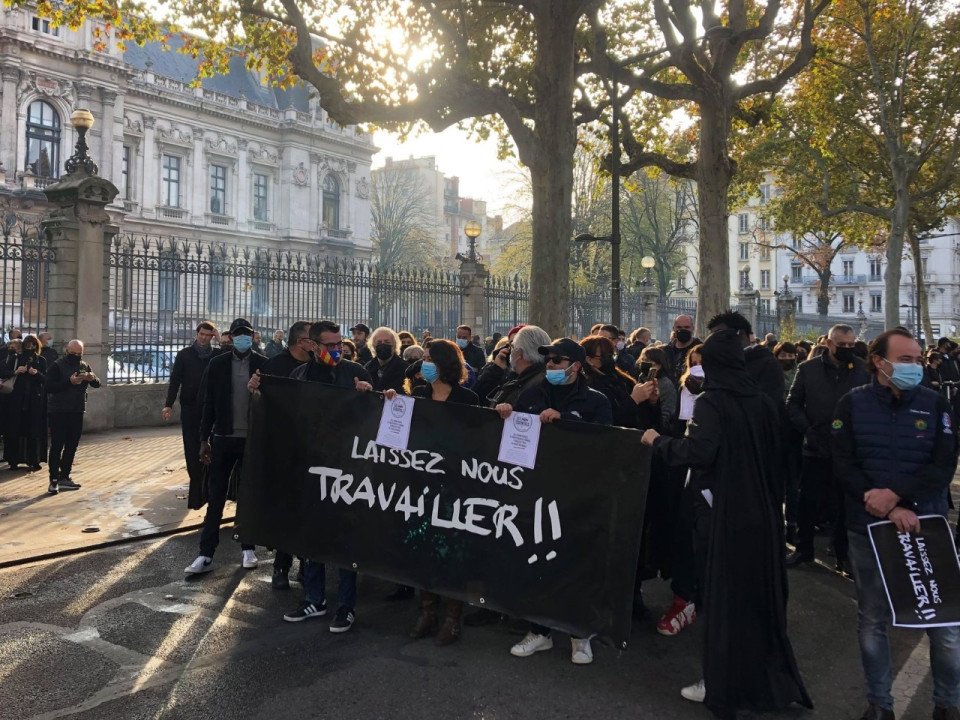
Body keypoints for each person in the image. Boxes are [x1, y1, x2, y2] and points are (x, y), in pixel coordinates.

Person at [642, 327, 812, 719]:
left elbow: (699, 453)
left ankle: (722, 682)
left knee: (722, 600)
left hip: (721, 513)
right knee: (755, 601)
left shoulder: (712, 403)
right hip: (762, 513)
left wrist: (657, 441)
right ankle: (762, 679)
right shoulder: (764, 401)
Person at [831, 328, 960, 720]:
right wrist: (885, 508)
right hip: (869, 526)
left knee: (946, 624)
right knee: (872, 618)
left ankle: (948, 703)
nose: (915, 366)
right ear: (879, 362)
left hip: (926, 525)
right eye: (906, 360)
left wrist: (902, 499)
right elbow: (842, 463)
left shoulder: (935, 404)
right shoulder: (852, 404)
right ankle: (880, 705)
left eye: (918, 359)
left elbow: (943, 463)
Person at [496, 337, 612, 665]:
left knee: (575, 564)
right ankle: (540, 631)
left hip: (578, 496)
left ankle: (580, 634)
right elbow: (515, 433)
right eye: (548, 361)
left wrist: (566, 422)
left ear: (575, 367)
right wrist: (505, 413)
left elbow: (606, 442)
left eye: (558, 361)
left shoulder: (596, 401)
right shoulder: (532, 393)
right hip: (535, 492)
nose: (551, 366)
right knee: (536, 562)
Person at [276, 320, 374, 633]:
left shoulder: (356, 372)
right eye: (328, 345)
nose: (335, 350)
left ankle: (346, 606)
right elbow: (287, 414)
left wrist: (367, 396)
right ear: (313, 346)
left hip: (347, 471)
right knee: (311, 538)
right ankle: (314, 599)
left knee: (345, 540)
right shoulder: (300, 375)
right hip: (311, 467)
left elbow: (375, 420)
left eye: (338, 344)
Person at [386, 339, 479, 645]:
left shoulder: (467, 398)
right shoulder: (418, 395)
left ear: (446, 364)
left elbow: (475, 443)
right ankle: (427, 611)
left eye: (430, 359)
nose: (424, 364)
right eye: (423, 358)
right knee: (422, 548)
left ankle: (453, 618)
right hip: (420, 486)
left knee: (450, 552)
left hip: (454, 488)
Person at [186, 318, 268, 576]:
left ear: (253, 336)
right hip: (223, 437)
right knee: (216, 497)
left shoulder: (263, 364)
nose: (242, 338)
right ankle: (205, 553)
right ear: (231, 337)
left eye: (246, 334)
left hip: (251, 440)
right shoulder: (218, 364)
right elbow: (207, 403)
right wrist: (203, 440)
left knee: (248, 495)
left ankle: (248, 548)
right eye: (237, 334)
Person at [786, 324, 869, 574]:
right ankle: (804, 549)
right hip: (816, 446)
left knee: (846, 503)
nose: (846, 349)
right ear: (830, 344)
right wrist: (808, 430)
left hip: (848, 449)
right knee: (808, 501)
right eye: (841, 345)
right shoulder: (807, 369)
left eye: (850, 345)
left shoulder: (863, 370)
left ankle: (843, 554)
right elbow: (793, 404)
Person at [257, 320, 313, 589]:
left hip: (311, 449)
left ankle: (306, 565)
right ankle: (281, 566)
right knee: (284, 509)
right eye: (311, 339)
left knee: (306, 510)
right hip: (282, 447)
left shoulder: (318, 367)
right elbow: (262, 404)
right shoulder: (275, 365)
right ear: (300, 341)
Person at [162, 321, 219, 510]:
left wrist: (220, 340)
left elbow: (236, 356)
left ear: (212, 336)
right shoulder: (185, 355)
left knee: (210, 449)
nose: (204, 338)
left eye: (208, 335)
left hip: (212, 410)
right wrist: (168, 404)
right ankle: (196, 489)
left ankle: (209, 489)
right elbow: (175, 380)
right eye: (201, 334)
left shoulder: (217, 355)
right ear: (196, 334)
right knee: (192, 448)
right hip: (190, 409)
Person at [45, 339, 101, 494]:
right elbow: (48, 387)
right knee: (57, 445)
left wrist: (91, 378)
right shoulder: (57, 365)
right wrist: (69, 382)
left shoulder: (83, 365)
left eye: (79, 353)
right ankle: (54, 479)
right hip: (58, 411)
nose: (76, 356)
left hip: (77, 410)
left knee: (72, 445)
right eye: (73, 353)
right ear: (67, 351)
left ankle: (65, 476)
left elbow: (98, 383)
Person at [1, 335, 46, 472]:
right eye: (27, 345)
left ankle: (33, 460)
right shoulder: (16, 359)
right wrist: (16, 371)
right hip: (16, 400)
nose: (30, 348)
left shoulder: (40, 360)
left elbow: (45, 378)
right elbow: (3, 372)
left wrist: (36, 373)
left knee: (33, 432)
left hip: (33, 401)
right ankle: (13, 460)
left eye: (32, 345)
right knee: (14, 430)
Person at [476, 325, 551, 407]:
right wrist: (496, 369)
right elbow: (477, 397)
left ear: (519, 353)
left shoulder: (536, 385)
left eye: (512, 346)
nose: (508, 350)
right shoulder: (517, 377)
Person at [365, 326, 407, 394]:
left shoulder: (405, 369)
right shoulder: (367, 368)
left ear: (395, 345)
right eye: (379, 343)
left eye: (387, 342)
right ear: (373, 346)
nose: (383, 345)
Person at [663, 315, 700, 380]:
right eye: (679, 327)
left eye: (686, 327)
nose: (683, 330)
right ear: (674, 329)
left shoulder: (700, 350)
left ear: (693, 329)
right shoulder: (666, 351)